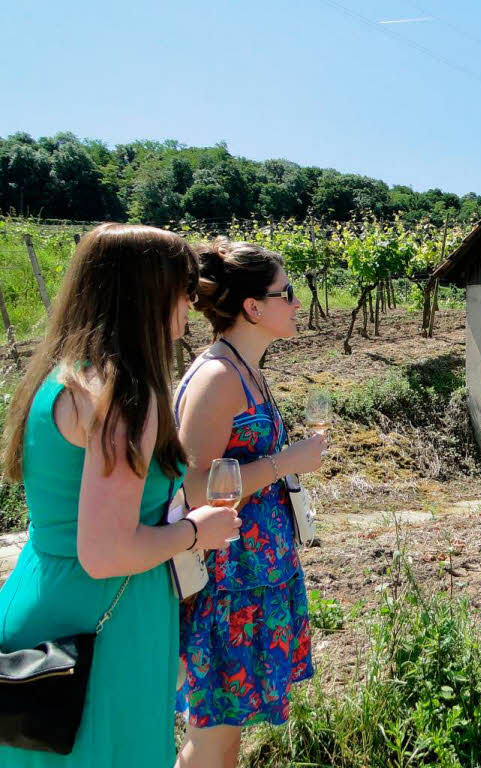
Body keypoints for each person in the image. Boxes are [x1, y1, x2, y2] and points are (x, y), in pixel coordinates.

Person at [0, 224, 240, 767]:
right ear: (149, 293)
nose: (189, 304)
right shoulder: (123, 395)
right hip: (105, 625)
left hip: (40, 604)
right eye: (183, 289)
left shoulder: (58, 380)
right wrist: (198, 530)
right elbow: (106, 553)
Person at [173, 238, 325, 768]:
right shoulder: (218, 377)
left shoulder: (245, 369)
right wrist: (288, 462)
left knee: (226, 736)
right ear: (253, 307)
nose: (298, 302)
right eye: (288, 292)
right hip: (226, 581)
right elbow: (195, 486)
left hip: (253, 575)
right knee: (213, 737)